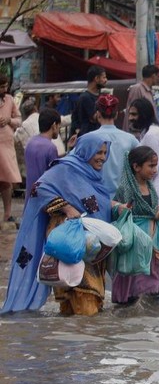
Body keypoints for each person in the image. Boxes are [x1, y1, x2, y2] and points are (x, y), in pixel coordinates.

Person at [2, 134, 112, 315]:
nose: (102, 157)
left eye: (105, 153)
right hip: (67, 238)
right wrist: (67, 208)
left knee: (77, 302)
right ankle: (83, 338)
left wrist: (118, 207)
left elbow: (99, 205)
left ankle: (68, 338)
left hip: (89, 240)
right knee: (81, 294)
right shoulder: (65, 169)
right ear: (85, 151)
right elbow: (39, 188)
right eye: (97, 152)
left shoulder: (93, 176)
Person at [112, 146, 159, 305]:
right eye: (151, 166)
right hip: (135, 243)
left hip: (152, 244)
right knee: (132, 285)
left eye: (156, 165)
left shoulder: (150, 187)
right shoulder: (125, 189)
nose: (155, 170)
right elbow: (116, 209)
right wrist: (119, 207)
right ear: (136, 167)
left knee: (155, 287)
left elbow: (152, 207)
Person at [86, 94, 140, 197]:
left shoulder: (88, 139)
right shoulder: (130, 139)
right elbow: (143, 159)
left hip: (97, 199)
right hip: (124, 200)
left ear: (98, 114)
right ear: (116, 115)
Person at [128, 98, 159, 216]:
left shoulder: (152, 135)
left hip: (151, 194)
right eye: (130, 114)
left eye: (134, 114)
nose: (130, 118)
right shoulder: (155, 132)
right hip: (156, 191)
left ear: (144, 114)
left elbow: (149, 169)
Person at [23, 109, 61, 202]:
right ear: (54, 125)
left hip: (30, 198)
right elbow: (55, 177)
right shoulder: (51, 148)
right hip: (44, 199)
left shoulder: (30, 143)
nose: (59, 129)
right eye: (59, 126)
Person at [0, 73, 22, 223]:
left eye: (6, 86)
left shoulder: (9, 100)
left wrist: (9, 120)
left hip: (6, 144)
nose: (5, 89)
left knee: (7, 180)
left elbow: (19, 120)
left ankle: (7, 214)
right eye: (2, 86)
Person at [71, 65, 107, 138]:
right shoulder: (85, 98)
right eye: (103, 77)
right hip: (89, 137)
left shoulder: (100, 96)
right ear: (96, 78)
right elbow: (96, 118)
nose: (106, 80)